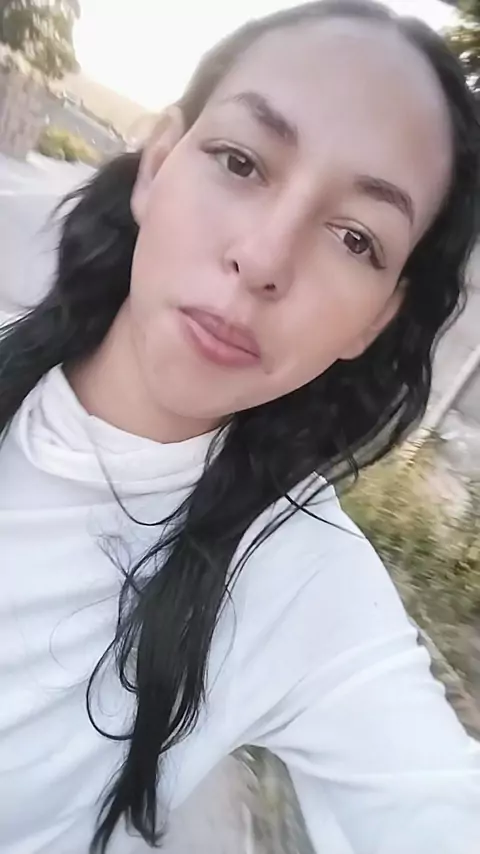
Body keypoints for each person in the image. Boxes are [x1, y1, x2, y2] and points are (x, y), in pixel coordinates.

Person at [0, 1, 479, 852]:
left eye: (356, 238)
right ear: (158, 163)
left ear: (376, 319)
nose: (262, 259)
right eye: (241, 161)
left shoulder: (300, 581)